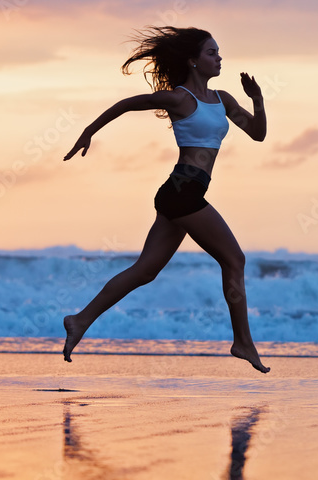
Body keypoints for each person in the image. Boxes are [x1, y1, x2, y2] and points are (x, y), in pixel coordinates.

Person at [61, 26, 270, 373]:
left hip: (183, 193)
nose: (218, 58)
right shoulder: (179, 99)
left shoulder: (223, 100)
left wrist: (258, 99)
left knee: (145, 271)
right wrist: (88, 132)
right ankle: (243, 342)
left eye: (218, 52)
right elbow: (128, 104)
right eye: (211, 53)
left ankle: (79, 320)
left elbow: (258, 134)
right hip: (182, 192)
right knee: (235, 260)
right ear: (192, 60)